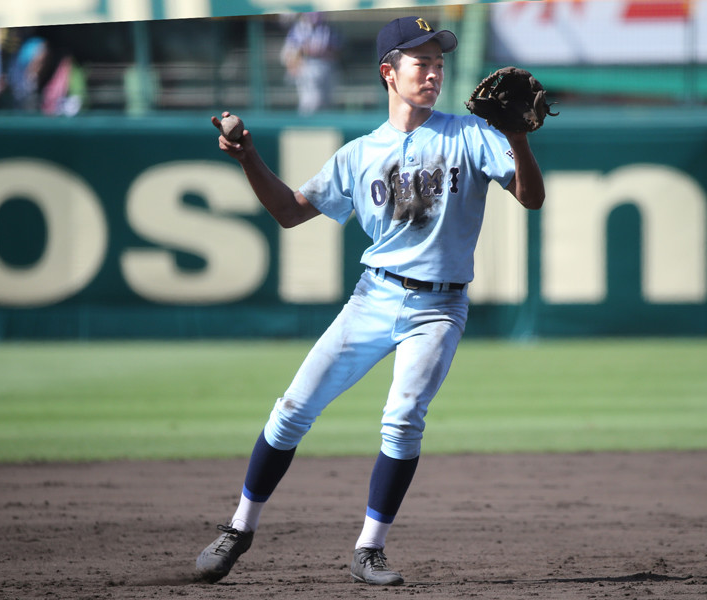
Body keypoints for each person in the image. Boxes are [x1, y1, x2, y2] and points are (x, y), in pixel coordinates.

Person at [197, 15, 545, 587]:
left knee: (403, 420)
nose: (433, 73)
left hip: (439, 307)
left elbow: (531, 198)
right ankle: (240, 526)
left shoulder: (471, 134)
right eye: (420, 63)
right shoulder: (359, 154)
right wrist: (247, 158)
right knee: (291, 410)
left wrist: (519, 139)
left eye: (438, 64)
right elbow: (289, 212)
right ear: (389, 72)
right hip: (373, 297)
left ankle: (369, 548)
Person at [279, 12, 341, 114]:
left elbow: (337, 50)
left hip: (326, 67)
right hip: (307, 68)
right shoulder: (298, 29)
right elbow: (290, 54)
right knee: (310, 102)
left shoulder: (328, 29)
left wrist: (321, 51)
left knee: (326, 103)